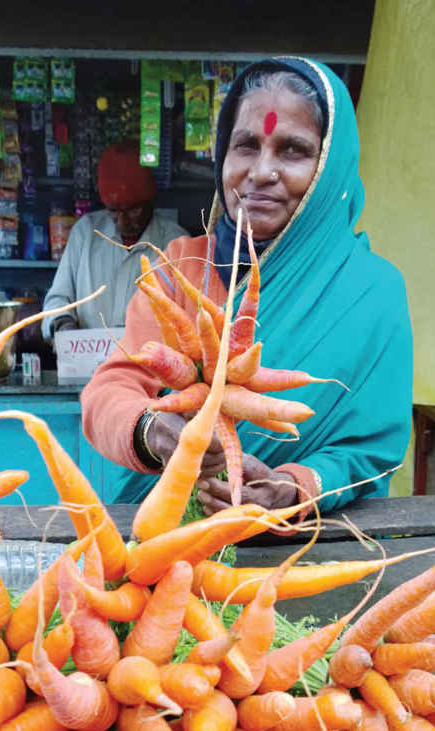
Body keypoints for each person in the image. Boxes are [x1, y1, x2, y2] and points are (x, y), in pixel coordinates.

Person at [80, 57, 413, 516]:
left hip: (309, 546)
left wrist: (294, 485)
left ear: (331, 165)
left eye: (292, 150)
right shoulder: (179, 267)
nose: (260, 172)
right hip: (163, 542)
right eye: (246, 145)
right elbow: (109, 392)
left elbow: (370, 451)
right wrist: (152, 430)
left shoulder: (373, 292)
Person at [42, 140, 189, 337]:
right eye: (113, 211)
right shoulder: (85, 233)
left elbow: (189, 318)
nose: (123, 222)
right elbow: (58, 300)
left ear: (150, 203)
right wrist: (63, 324)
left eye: (133, 210)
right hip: (88, 363)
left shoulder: (176, 243)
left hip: (150, 364)